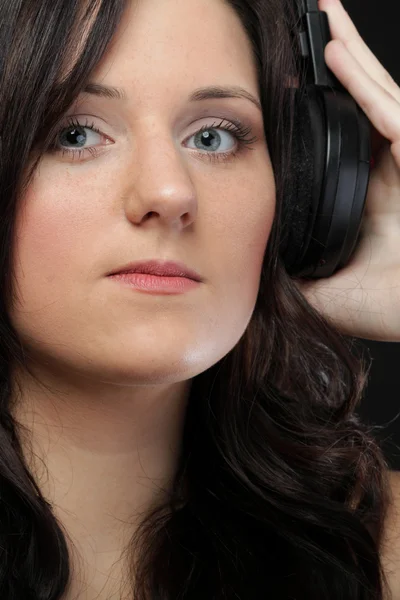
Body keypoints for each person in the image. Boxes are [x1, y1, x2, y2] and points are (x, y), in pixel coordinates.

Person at [0, 0, 399, 597]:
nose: (169, 190)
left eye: (213, 137)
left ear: (302, 193)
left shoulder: (381, 551)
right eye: (75, 133)